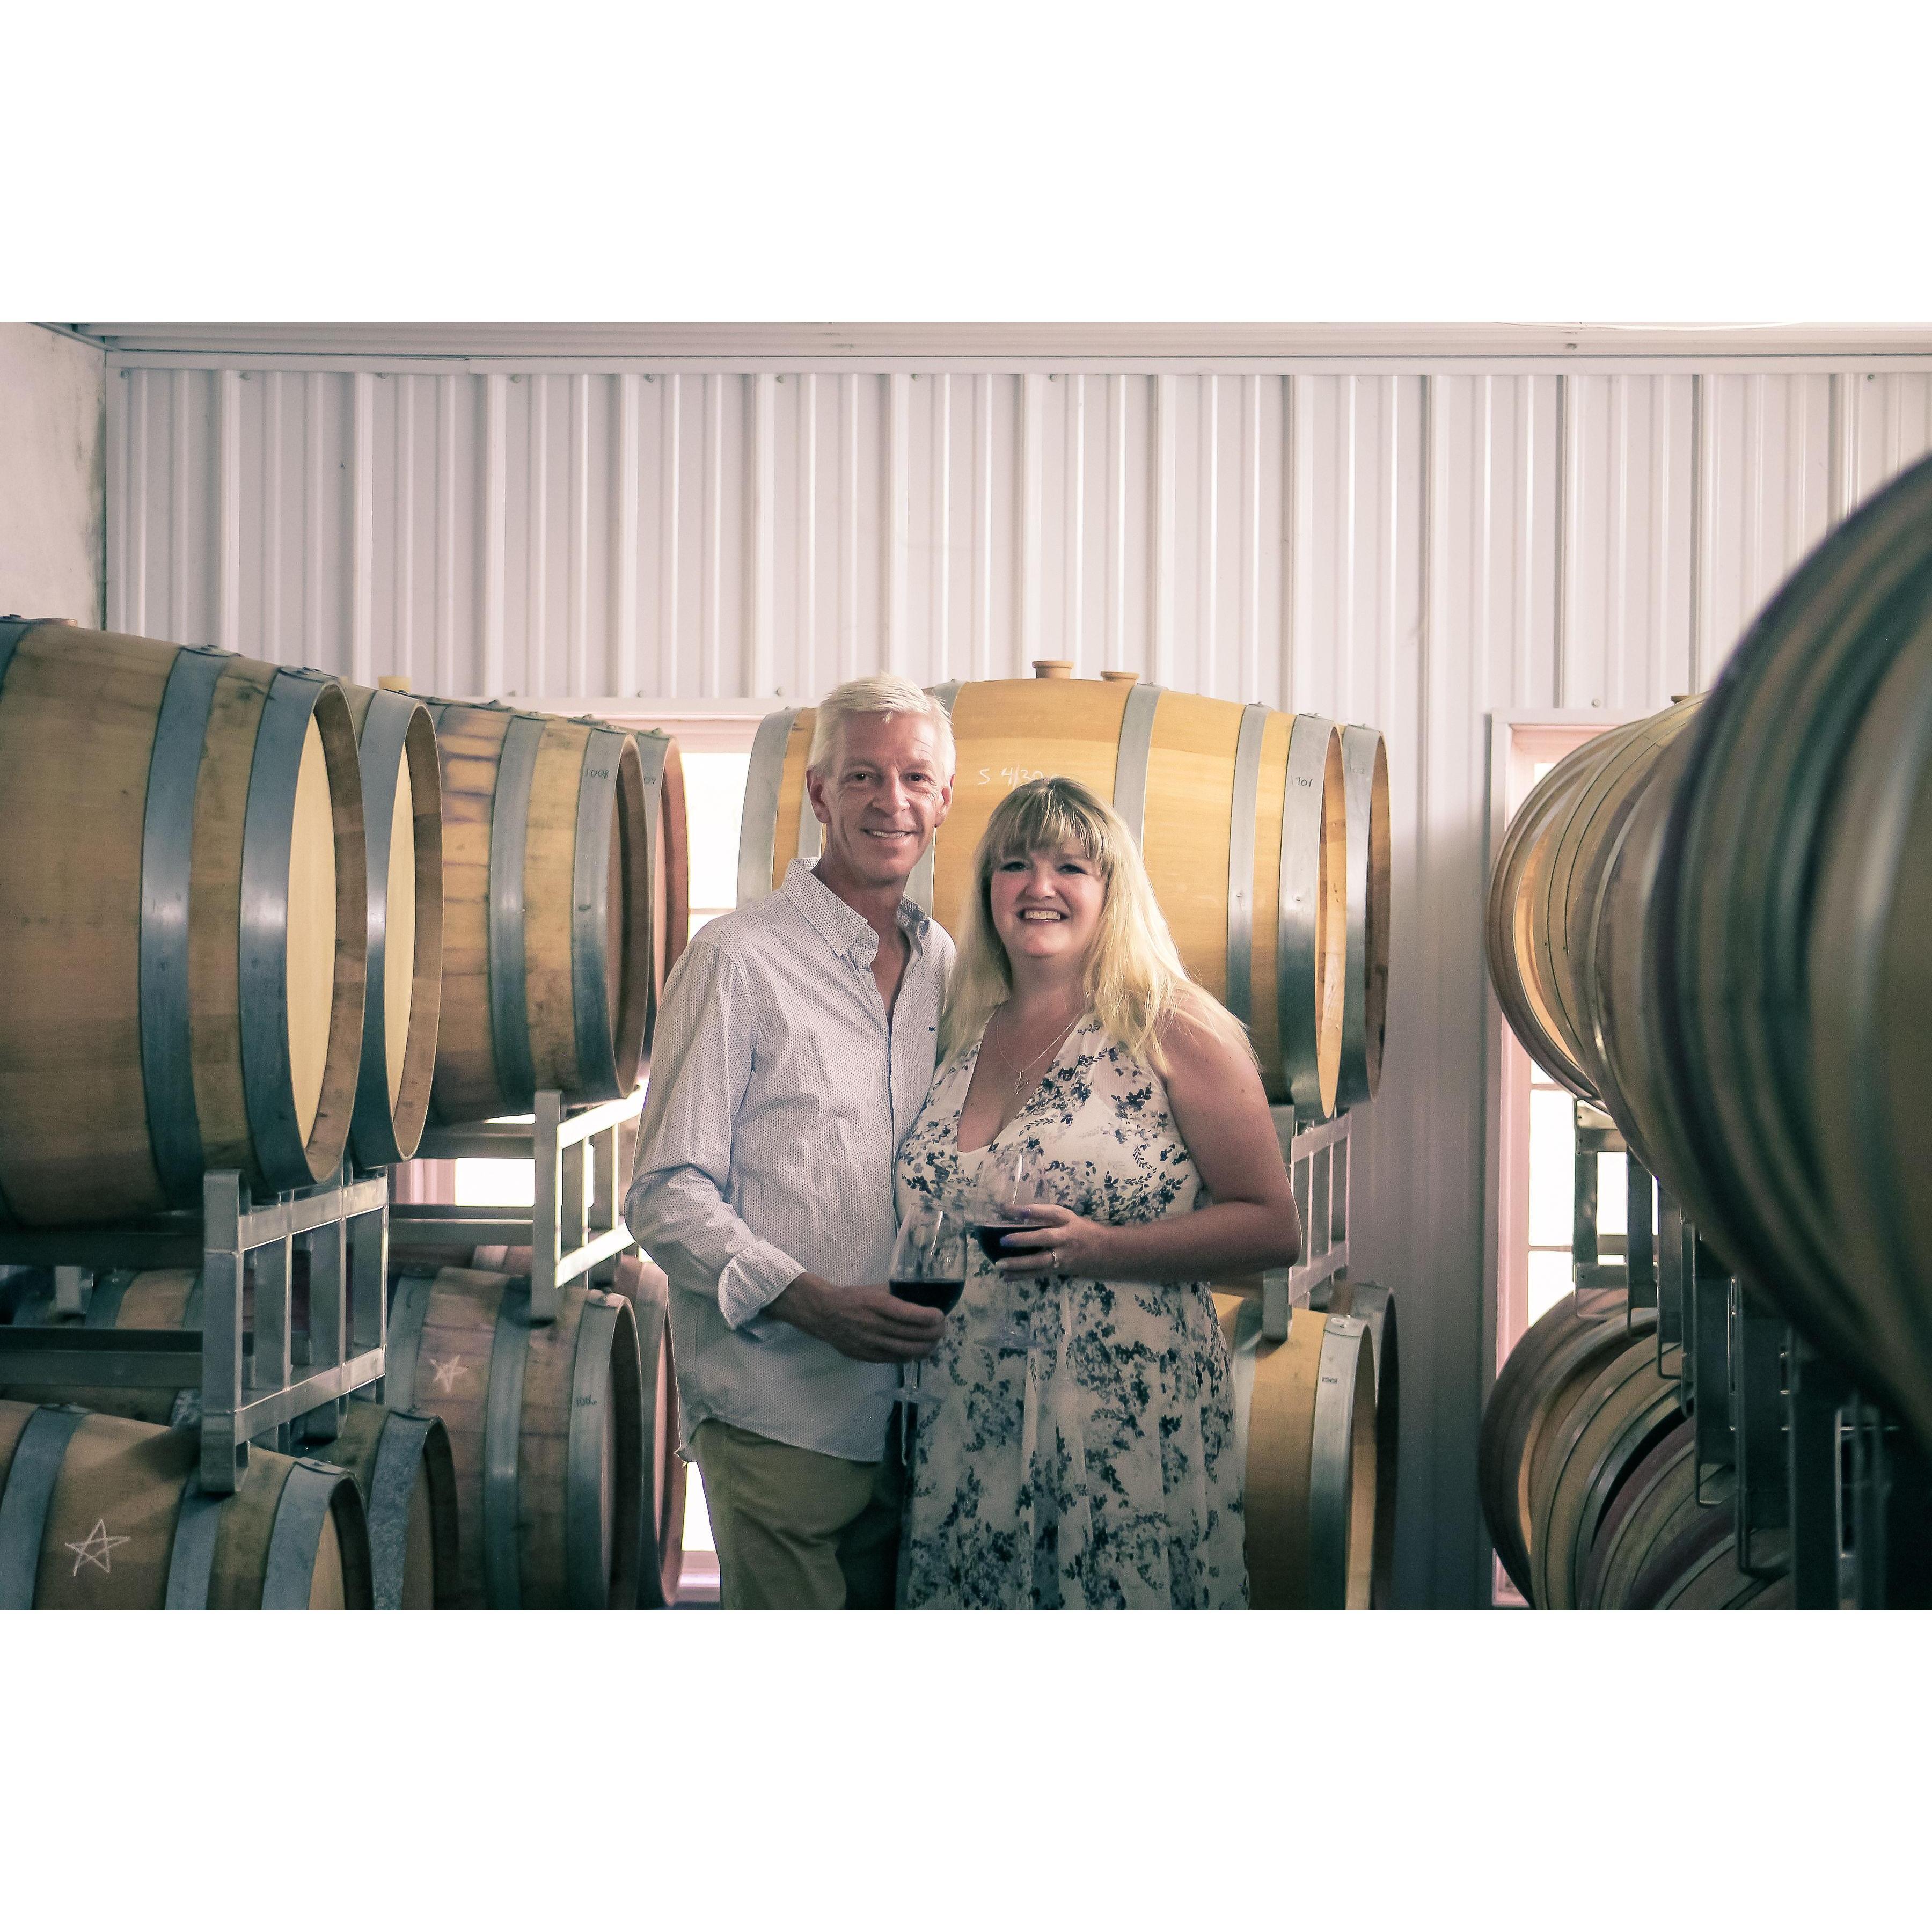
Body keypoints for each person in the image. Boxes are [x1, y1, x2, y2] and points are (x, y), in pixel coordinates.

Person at [895, 774, 1302, 1609]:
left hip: (1122, 1425)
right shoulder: (962, 1034)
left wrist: (1104, 1249)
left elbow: (1272, 1227)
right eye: (1015, 865)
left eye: (1071, 868)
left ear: (1112, 893)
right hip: (970, 1420)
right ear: (989, 893)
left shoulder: (1172, 1026)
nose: (1040, 886)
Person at [625, 674, 956, 1609]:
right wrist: (815, 1305)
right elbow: (664, 1195)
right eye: (863, 777)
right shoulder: (737, 961)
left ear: (943, 800)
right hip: (781, 1414)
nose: (892, 802)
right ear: (819, 795)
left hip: (911, 1421)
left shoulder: (945, 964)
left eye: (915, 780)